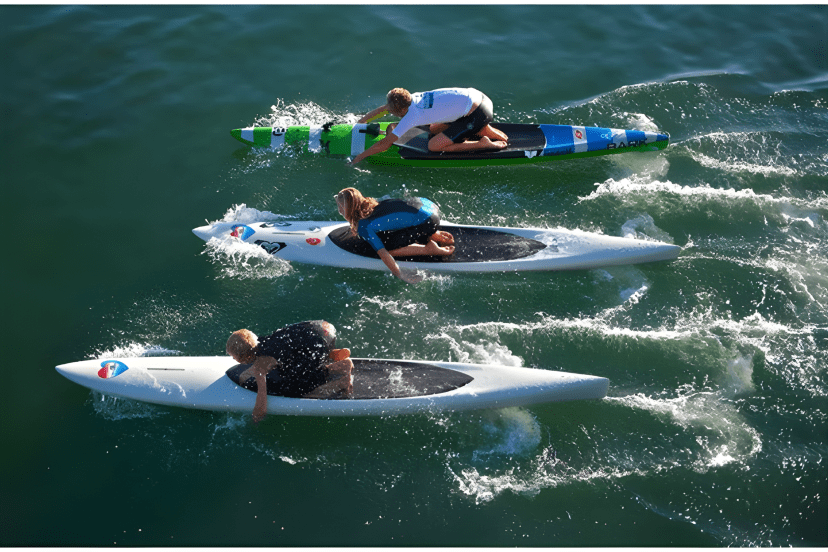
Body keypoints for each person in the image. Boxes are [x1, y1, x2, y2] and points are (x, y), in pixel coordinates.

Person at [226, 320, 353, 423]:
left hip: (317, 344)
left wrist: (255, 419)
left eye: (234, 357)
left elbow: (262, 404)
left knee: (295, 386)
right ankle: (330, 353)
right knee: (293, 352)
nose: (233, 359)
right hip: (322, 329)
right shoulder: (264, 340)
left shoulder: (261, 365)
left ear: (245, 358)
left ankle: (341, 379)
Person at [350, 87, 508, 165]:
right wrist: (360, 123)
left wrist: (358, 158)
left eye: (392, 110)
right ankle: (483, 128)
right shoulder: (413, 98)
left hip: (477, 114)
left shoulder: (412, 116)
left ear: (401, 110)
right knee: (433, 128)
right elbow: (384, 109)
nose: (388, 110)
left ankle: (482, 142)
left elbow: (385, 144)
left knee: (433, 145)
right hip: (481, 98)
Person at [335, 187, 455, 284]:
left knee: (386, 248)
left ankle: (429, 249)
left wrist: (400, 274)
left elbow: (382, 252)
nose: (339, 210)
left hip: (428, 220)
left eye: (341, 207)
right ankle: (433, 233)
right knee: (395, 221)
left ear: (349, 209)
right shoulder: (373, 204)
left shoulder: (363, 226)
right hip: (428, 206)